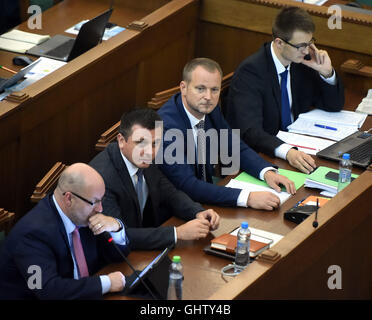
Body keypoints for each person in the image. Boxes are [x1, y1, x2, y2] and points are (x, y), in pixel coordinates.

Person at [158, 58, 296, 210]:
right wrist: (247, 198)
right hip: (176, 210)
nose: (208, 97)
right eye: (200, 89)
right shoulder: (166, 127)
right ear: (183, 88)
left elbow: (233, 146)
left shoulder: (210, 109)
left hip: (206, 197)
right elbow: (188, 186)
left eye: (214, 90)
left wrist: (266, 172)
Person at [225, 6, 344, 174]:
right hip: (262, 158)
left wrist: (327, 72)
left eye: (310, 43)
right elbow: (251, 131)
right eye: (301, 45)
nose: (306, 50)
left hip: (300, 147)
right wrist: (287, 151)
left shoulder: (301, 62)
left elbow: (333, 105)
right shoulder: (251, 72)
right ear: (279, 42)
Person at [89, 108, 220, 251]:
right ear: (121, 140)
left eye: (155, 143)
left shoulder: (142, 158)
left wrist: (197, 212)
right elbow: (121, 235)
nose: (150, 152)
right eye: (141, 143)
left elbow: (170, 193)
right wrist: (178, 233)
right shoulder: (102, 179)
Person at [0, 163, 129, 300]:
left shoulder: (83, 214)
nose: (100, 209)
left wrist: (116, 227)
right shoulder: (31, 235)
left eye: (101, 200)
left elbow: (118, 256)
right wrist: (106, 283)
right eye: (95, 202)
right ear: (69, 198)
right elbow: (47, 290)